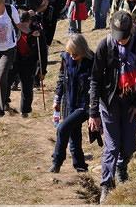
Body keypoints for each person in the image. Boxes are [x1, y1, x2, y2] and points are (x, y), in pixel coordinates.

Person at [89, 11, 136, 203]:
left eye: (124, 38)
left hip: (131, 100)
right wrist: (93, 112)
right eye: (118, 37)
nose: (121, 42)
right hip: (109, 102)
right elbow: (95, 78)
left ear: (132, 29)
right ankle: (106, 185)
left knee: (129, 145)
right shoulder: (105, 44)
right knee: (112, 145)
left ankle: (121, 166)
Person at [51, 34, 94, 173]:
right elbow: (61, 78)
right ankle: (80, 165)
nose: (72, 56)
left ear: (82, 50)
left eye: (75, 54)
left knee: (63, 128)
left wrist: (93, 108)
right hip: (69, 102)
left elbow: (96, 85)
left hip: (84, 105)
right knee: (74, 135)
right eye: (70, 53)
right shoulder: (66, 58)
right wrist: (57, 98)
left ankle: (57, 162)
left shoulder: (92, 62)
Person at [7, 11, 47, 117]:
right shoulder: (13, 29)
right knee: (6, 83)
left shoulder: (37, 31)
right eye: (20, 22)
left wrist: (43, 69)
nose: (23, 25)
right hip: (14, 60)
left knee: (27, 87)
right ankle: (3, 105)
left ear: (30, 21)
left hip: (29, 62)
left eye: (25, 22)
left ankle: (25, 111)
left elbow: (43, 52)